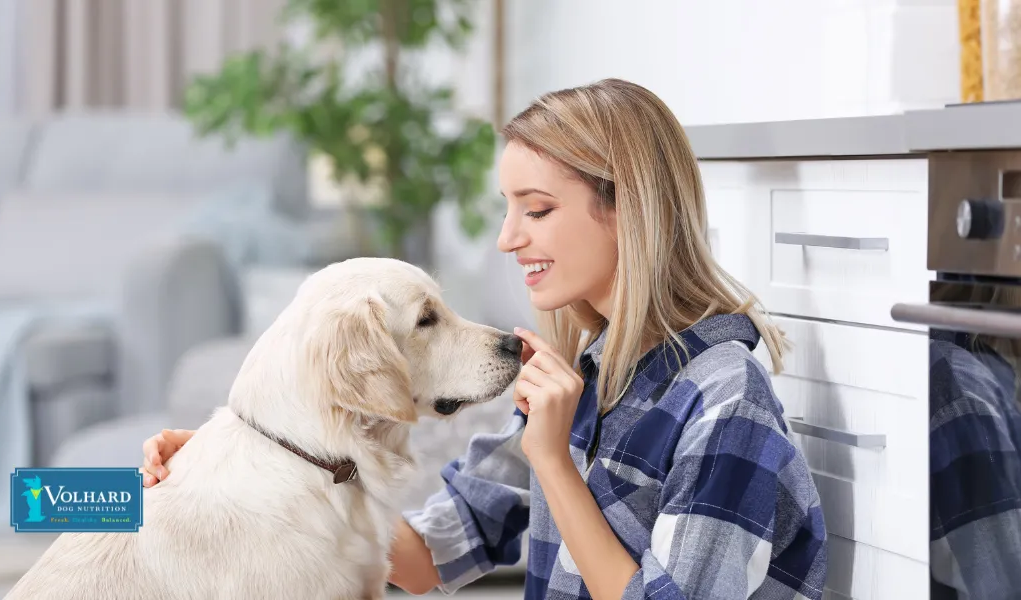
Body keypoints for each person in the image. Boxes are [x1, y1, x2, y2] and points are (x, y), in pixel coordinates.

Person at [140, 78, 828, 599]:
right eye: (509, 209)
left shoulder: (726, 401)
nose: (508, 238)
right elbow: (425, 553)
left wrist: (555, 465)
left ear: (626, 209)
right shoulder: (580, 379)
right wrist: (247, 461)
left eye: (537, 209)